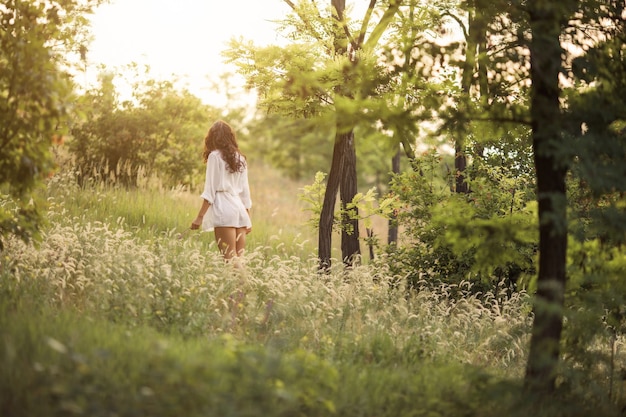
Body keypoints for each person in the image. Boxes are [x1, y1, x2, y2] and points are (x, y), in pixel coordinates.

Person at [190, 120, 252, 260]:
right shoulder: (240, 158)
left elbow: (210, 190)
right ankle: (246, 283)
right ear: (230, 137)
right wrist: (248, 218)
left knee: (230, 260)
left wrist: (199, 218)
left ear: (213, 137)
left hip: (224, 209)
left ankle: (244, 283)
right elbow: (245, 192)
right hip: (240, 211)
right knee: (239, 260)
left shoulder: (214, 156)